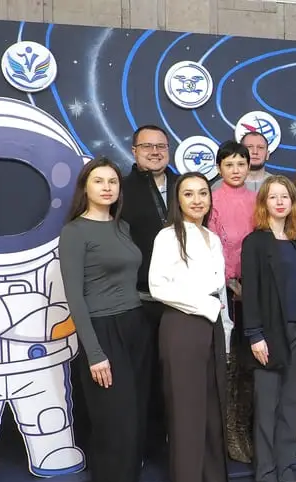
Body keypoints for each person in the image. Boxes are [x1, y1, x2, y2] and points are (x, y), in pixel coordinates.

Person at [59, 157, 150, 482]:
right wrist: (95, 353)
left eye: (113, 181)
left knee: (134, 421)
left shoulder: (121, 226)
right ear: (86, 187)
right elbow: (75, 299)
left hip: (135, 326)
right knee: (117, 425)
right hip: (102, 331)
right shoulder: (74, 232)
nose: (108, 187)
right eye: (99, 181)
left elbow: (130, 282)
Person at [149, 172, 230, 482]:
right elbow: (158, 287)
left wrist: (222, 326)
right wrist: (206, 307)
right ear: (178, 200)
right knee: (186, 415)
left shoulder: (213, 237)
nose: (197, 200)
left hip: (212, 327)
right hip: (182, 327)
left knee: (212, 411)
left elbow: (219, 291)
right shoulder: (168, 236)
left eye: (202, 193)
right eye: (188, 194)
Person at [241, 176, 296, 482]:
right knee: (267, 409)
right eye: (272, 197)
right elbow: (251, 294)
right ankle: (266, 477)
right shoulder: (254, 243)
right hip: (268, 335)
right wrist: (255, 335)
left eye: (284, 196)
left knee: (290, 408)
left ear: (292, 202)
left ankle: (286, 472)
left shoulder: (295, 242)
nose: (279, 202)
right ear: (263, 203)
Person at [119, 124, 179, 457]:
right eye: (147, 146)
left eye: (161, 146)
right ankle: (143, 447)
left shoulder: (183, 186)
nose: (155, 152)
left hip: (180, 300)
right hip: (138, 300)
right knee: (141, 376)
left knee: (176, 376)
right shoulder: (121, 189)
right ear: (134, 151)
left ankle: (176, 443)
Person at [210, 141, 259, 463]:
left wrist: (250, 287)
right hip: (224, 293)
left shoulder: (258, 200)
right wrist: (231, 284)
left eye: (241, 163)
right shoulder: (212, 200)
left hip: (253, 292)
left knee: (249, 363)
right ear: (219, 168)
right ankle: (228, 433)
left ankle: (244, 429)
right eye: (229, 164)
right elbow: (212, 248)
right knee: (228, 362)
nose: (236, 170)